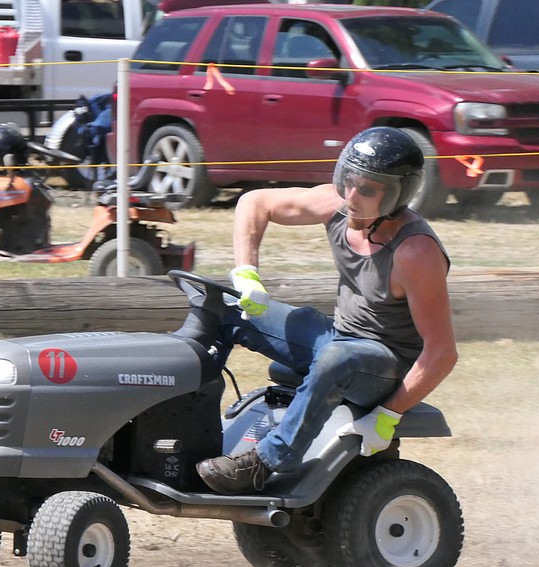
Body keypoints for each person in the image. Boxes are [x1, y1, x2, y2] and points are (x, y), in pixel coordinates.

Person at [195, 126, 458, 495]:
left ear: (397, 194)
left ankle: (265, 463)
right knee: (222, 306)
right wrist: (247, 273)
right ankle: (189, 429)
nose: (351, 195)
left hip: (384, 364)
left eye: (367, 189)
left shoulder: (415, 253)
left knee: (336, 357)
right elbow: (254, 202)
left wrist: (388, 415)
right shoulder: (337, 204)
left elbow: (442, 353)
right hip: (338, 339)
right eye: (348, 180)